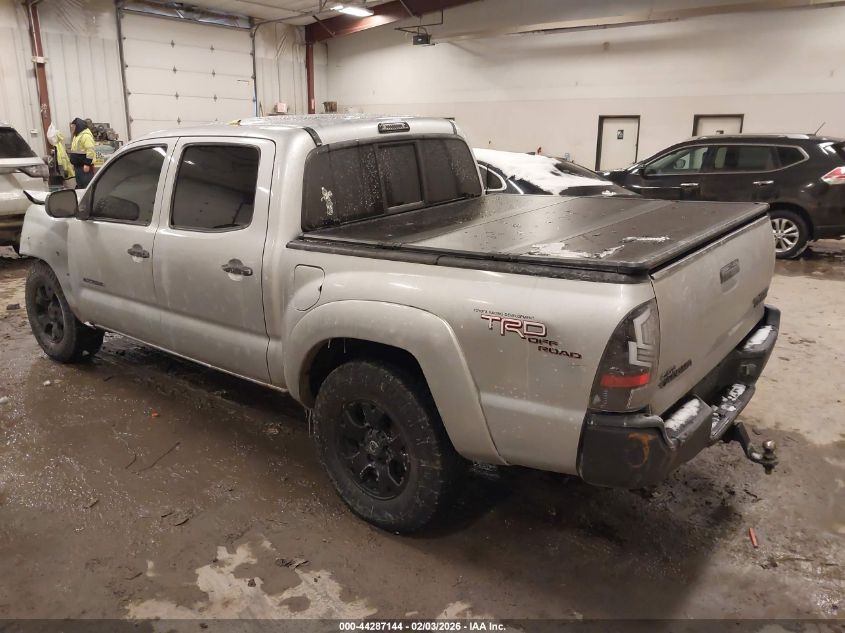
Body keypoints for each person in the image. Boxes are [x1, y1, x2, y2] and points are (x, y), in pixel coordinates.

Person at [69, 117, 96, 189]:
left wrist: (87, 164)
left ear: (78, 126)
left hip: (84, 167)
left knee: (86, 186)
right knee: (80, 186)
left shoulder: (86, 136)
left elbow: (90, 150)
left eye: (73, 126)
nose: (72, 128)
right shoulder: (76, 136)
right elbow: (74, 151)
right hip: (78, 167)